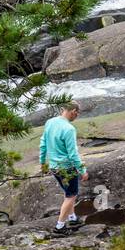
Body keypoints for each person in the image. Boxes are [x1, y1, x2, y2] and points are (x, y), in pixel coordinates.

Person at [39, 101, 88, 236]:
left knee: (68, 193)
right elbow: (73, 154)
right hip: (67, 168)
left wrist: (42, 162)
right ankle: (59, 227)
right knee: (71, 196)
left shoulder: (50, 122)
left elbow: (43, 144)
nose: (76, 117)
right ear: (73, 111)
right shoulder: (69, 129)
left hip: (54, 167)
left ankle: (73, 219)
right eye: (77, 114)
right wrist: (82, 170)